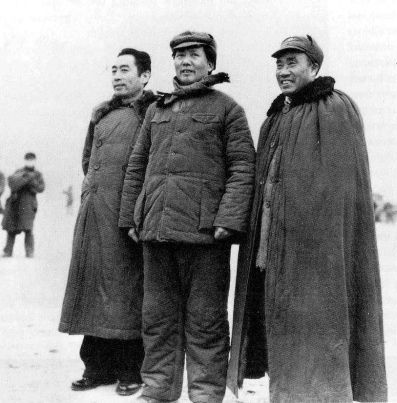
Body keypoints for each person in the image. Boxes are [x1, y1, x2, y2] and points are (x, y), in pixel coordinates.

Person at [228, 35, 387, 402]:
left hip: (317, 249)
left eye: (292, 63)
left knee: (319, 324)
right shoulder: (274, 117)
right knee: (280, 320)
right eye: (279, 65)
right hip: (272, 243)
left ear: (313, 67)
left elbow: (340, 187)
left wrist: (317, 236)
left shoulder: (335, 107)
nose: (283, 71)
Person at [118, 31, 255, 403]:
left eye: (194, 54)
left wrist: (229, 219)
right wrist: (132, 217)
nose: (185, 61)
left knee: (206, 320)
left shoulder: (227, 109)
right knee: (157, 318)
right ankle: (158, 389)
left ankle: (206, 393)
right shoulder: (157, 110)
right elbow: (137, 165)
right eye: (179, 55)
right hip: (157, 232)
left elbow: (243, 167)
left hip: (205, 234)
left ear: (210, 62)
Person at [58, 48, 157, 396]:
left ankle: (131, 369)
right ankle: (96, 367)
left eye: (125, 70)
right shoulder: (101, 114)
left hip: (127, 216)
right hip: (95, 212)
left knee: (126, 290)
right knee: (92, 288)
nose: (116, 76)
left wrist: (134, 206)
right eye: (113, 69)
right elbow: (88, 159)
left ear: (145, 75)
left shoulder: (153, 112)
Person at [2, 153, 45, 258]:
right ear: (25, 160)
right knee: (11, 228)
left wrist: (32, 182)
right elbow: (12, 184)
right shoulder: (19, 172)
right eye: (28, 160)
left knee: (28, 228)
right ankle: (8, 251)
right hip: (16, 203)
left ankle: (29, 252)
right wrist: (25, 179)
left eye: (31, 160)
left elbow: (41, 188)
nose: (30, 162)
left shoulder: (37, 174)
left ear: (34, 161)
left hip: (29, 204)